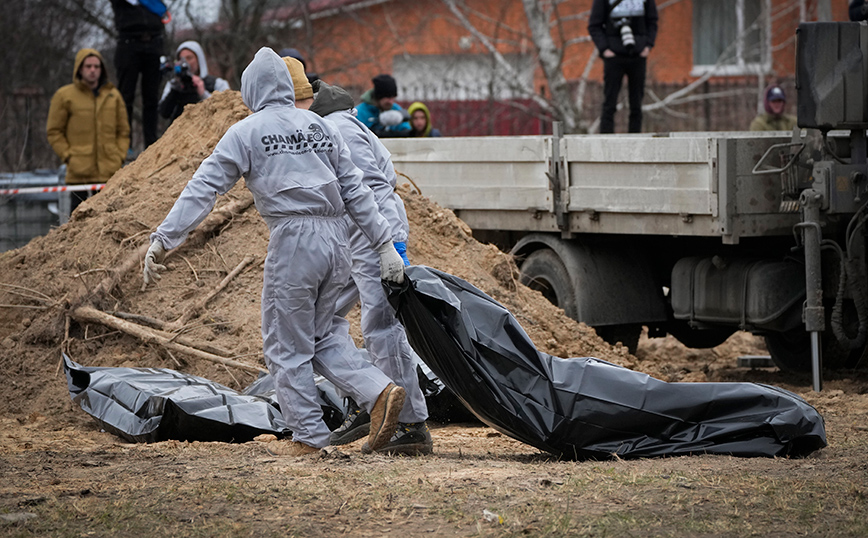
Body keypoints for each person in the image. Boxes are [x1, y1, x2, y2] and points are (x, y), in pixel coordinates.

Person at [143, 48, 407, 457]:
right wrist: (384, 244)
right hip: (338, 240)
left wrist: (165, 237)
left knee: (286, 345)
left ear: (251, 90)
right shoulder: (321, 126)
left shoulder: (247, 131)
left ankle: (308, 437)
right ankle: (379, 390)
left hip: (294, 239)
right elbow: (356, 190)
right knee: (322, 335)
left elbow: (205, 187)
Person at [308, 76, 433, 455]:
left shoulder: (335, 128)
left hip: (373, 228)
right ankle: (372, 400)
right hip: (360, 231)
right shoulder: (346, 124)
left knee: (382, 325)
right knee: (321, 319)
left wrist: (386, 246)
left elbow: (368, 188)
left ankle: (409, 424)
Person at [46, 48, 130, 214]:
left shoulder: (114, 95)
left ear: (102, 69)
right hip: (79, 174)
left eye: (96, 66)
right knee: (78, 224)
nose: (93, 70)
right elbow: (54, 131)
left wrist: (119, 156)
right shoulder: (64, 95)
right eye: (88, 66)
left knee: (109, 222)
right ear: (79, 68)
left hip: (109, 172)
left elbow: (123, 131)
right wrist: (68, 156)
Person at [588, 0, 658, 133]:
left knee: (636, 104)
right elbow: (594, 26)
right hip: (614, 57)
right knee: (609, 103)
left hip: (638, 55)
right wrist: (605, 49)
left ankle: (636, 142)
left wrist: (648, 45)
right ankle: (606, 142)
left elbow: (652, 22)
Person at [109, 0, 166, 150]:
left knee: (152, 98)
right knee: (125, 96)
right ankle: (125, 145)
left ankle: (151, 144)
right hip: (128, 42)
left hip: (154, 42)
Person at [159, 41, 230, 122]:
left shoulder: (217, 83)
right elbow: (164, 113)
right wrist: (174, 91)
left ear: (199, 59)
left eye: (189, 58)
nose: (185, 63)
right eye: (181, 59)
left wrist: (203, 94)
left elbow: (227, 110)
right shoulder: (173, 85)